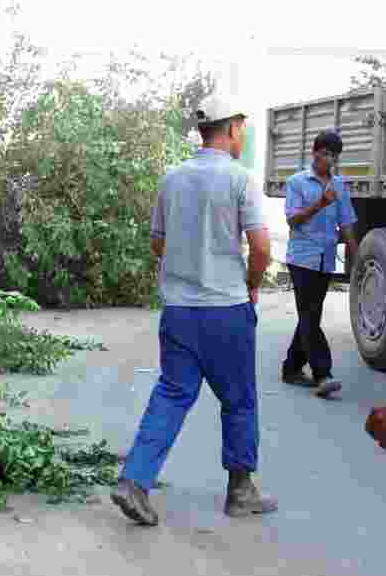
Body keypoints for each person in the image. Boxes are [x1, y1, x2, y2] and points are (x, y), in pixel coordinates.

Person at [111, 95, 276, 526]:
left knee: (171, 393)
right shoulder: (239, 180)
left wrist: (186, 267)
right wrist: (252, 285)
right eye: (243, 126)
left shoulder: (173, 178)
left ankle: (134, 481)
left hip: (180, 312)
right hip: (226, 310)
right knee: (239, 399)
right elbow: (260, 247)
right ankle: (240, 491)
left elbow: (158, 243)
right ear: (234, 128)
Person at [281, 129, 358, 398]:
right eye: (326, 154)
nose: (330, 160)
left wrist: (355, 254)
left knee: (309, 314)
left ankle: (291, 368)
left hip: (325, 260)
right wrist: (320, 203)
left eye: (334, 156)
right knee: (310, 314)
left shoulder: (339, 185)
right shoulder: (297, 182)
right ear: (315, 152)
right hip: (302, 258)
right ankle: (323, 373)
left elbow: (346, 222)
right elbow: (293, 220)